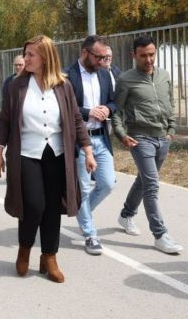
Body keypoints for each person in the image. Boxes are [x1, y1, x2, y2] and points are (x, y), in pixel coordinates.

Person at [0, 34, 95, 283]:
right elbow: (5, 120)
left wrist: (88, 150)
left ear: (45, 57)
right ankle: (25, 248)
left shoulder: (63, 85)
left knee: (52, 208)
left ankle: (49, 257)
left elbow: (75, 119)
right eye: (25, 54)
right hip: (27, 153)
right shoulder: (16, 86)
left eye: (31, 55)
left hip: (57, 155)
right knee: (34, 205)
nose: (25, 59)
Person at [112, 35, 183, 254]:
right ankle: (160, 235)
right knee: (152, 185)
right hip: (140, 138)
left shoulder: (164, 76)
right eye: (143, 56)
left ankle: (125, 215)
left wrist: (171, 129)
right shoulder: (126, 79)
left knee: (143, 181)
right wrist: (122, 134)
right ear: (134, 55)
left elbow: (169, 103)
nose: (148, 59)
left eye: (151, 54)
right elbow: (117, 110)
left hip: (163, 138)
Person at [65, 35, 117, 255]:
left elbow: (114, 101)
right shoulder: (67, 76)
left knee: (107, 183)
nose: (102, 61)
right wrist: (88, 112)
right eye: (98, 57)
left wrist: (108, 109)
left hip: (101, 137)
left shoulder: (105, 75)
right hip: (79, 141)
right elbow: (65, 106)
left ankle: (82, 212)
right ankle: (90, 234)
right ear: (85, 53)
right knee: (84, 188)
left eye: (104, 57)